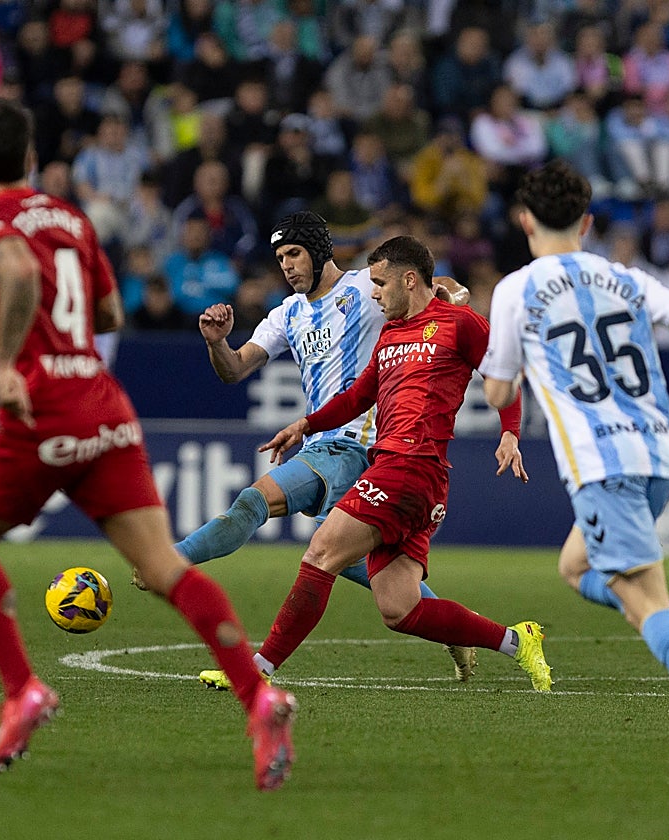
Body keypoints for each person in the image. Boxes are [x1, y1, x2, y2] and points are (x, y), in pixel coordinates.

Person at [0, 98, 297, 787]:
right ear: (34, 157)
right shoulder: (71, 217)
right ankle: (260, 700)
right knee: (164, 568)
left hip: (44, 408)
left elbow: (16, 272)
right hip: (105, 405)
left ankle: (22, 690)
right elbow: (106, 311)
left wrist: (7, 354)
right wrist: (23, 328)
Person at [478, 160, 669, 770]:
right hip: (659, 453)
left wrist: (510, 362)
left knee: (642, 603)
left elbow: (500, 395)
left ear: (524, 219)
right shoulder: (624, 277)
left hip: (600, 463)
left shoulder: (517, 289)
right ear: (586, 222)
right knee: (574, 564)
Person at [155, 211, 484, 686]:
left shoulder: (366, 288)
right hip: (325, 444)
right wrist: (217, 344)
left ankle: (173, 560)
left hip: (361, 446)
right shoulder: (286, 313)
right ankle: (452, 626)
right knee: (353, 563)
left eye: (294, 253)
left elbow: (438, 286)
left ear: (318, 250)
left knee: (255, 500)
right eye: (280, 257)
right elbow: (235, 368)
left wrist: (451, 298)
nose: (286, 266)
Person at [227, 234, 551, 692]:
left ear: (409, 279)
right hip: (410, 476)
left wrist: (511, 432)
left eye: (380, 283)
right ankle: (518, 641)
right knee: (399, 609)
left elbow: (503, 373)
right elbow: (359, 398)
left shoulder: (460, 324)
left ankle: (257, 669)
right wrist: (306, 424)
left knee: (322, 552)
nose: (373, 292)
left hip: (410, 466)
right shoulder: (390, 334)